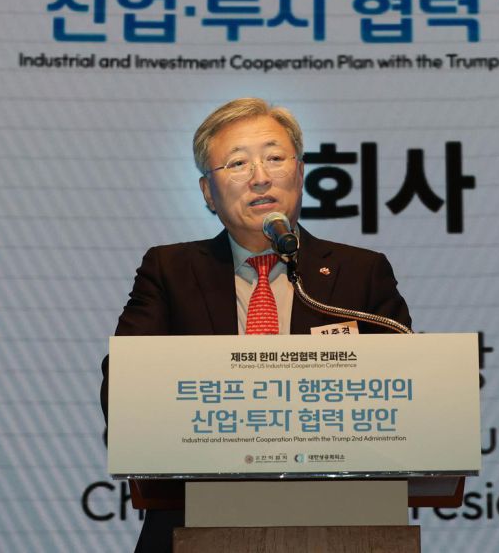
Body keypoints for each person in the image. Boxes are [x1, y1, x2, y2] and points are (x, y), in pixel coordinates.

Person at [101, 98, 412, 553]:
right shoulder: (170, 270)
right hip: (195, 519)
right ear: (208, 192)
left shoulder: (361, 272)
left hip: (342, 521)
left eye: (274, 158)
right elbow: (125, 385)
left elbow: (405, 394)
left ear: (300, 174)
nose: (260, 177)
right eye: (237, 163)